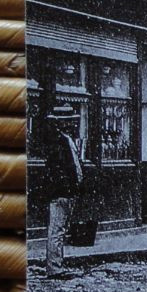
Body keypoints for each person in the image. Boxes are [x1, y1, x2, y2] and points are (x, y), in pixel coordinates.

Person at [41, 104, 83, 278]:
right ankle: (54, 267)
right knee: (57, 230)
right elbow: (59, 170)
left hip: (66, 191)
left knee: (60, 230)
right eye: (69, 121)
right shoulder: (59, 142)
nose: (72, 124)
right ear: (61, 123)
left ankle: (57, 264)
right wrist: (67, 187)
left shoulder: (65, 139)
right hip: (62, 193)